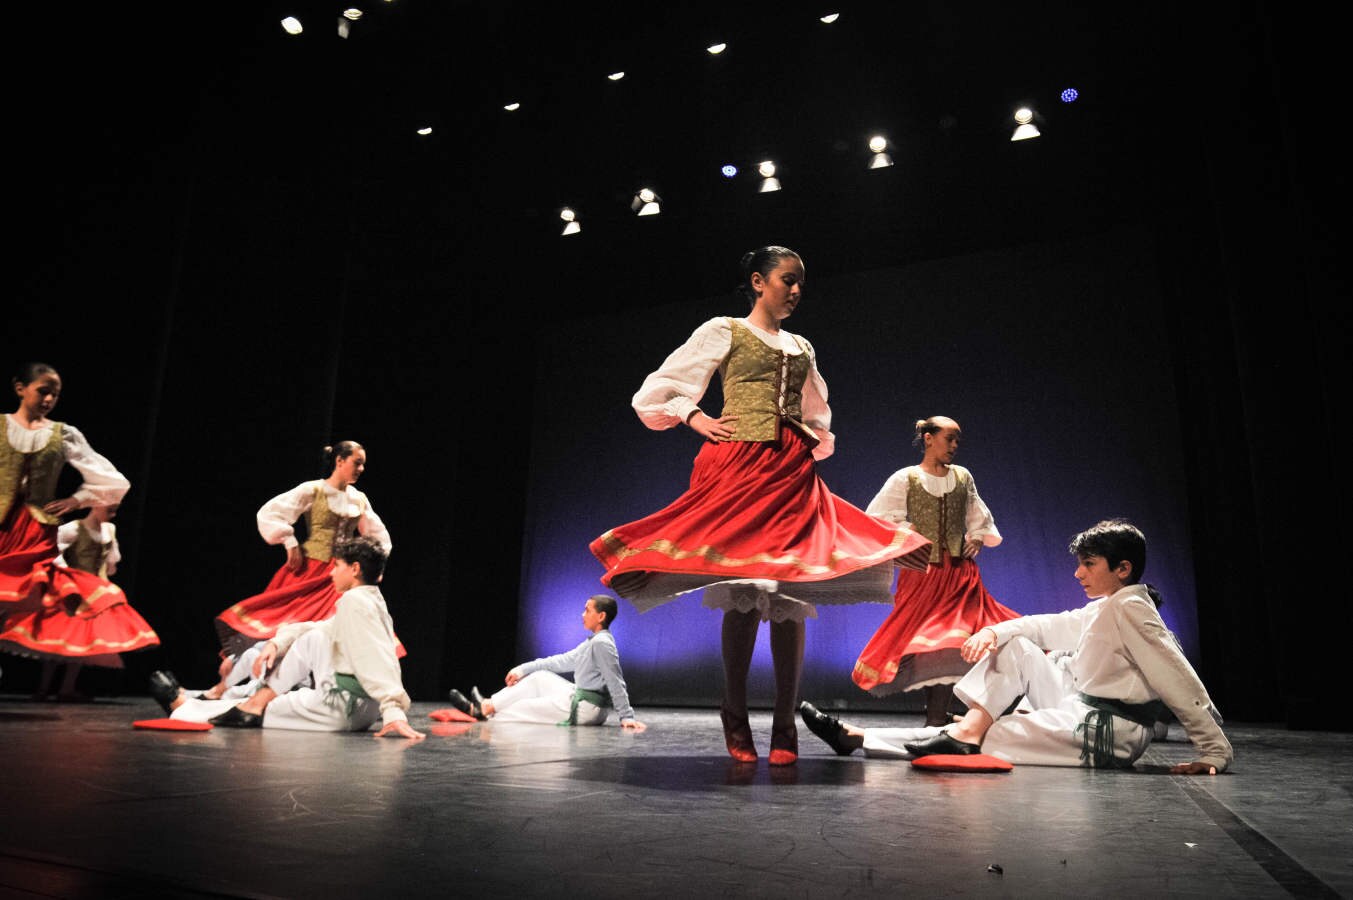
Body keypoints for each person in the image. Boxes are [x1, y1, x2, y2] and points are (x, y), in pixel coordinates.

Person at [590, 246, 931, 766]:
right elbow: (655, 391)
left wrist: (801, 441)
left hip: (789, 473)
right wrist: (691, 414)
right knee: (746, 590)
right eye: (786, 280)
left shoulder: (801, 347)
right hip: (737, 468)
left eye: (800, 283)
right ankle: (735, 712)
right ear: (758, 281)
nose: (795, 291)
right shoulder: (724, 329)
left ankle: (785, 720)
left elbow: (817, 415)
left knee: (790, 590)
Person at [799, 520, 1233, 774]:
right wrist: (992, 633)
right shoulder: (1108, 607)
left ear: (1123, 568)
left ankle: (863, 740)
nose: (1079, 574)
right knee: (1016, 641)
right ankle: (958, 732)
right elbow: (1048, 627)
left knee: (996, 733)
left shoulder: (1134, 609)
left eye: (1089, 565)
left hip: (1109, 732)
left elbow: (1176, 673)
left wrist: (1213, 750)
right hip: (1083, 708)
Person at [159, 536, 422, 739]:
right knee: (314, 638)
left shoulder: (356, 603)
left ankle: (186, 707)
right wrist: (276, 642)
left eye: (337, 566)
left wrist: (393, 712)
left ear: (354, 569)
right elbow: (317, 629)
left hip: (339, 711)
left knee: (262, 707)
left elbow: (377, 659)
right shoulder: (369, 601)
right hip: (359, 710)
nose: (331, 573)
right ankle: (231, 701)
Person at [851, 416, 1019, 726]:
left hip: (960, 574)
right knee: (932, 641)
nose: (954, 446)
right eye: (949, 438)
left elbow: (976, 515)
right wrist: (906, 530)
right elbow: (877, 518)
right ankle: (938, 716)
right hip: (923, 575)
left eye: (957, 440)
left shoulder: (963, 477)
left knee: (953, 640)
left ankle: (940, 716)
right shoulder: (906, 478)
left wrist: (977, 538)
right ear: (929, 439)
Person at [0, 362, 156, 678]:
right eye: (42, 391)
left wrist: (76, 500)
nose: (48, 400)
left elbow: (112, 481)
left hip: (34, 531)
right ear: (20, 388)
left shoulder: (63, 435)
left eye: (54, 395)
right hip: (4, 526)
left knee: (16, 600)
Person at [215, 441, 392, 659]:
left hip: (341, 573)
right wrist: (289, 541)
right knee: (284, 624)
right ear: (339, 461)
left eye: (363, 464)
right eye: (357, 463)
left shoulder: (358, 499)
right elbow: (270, 513)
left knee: (335, 627)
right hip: (309, 568)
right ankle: (247, 675)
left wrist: (373, 564)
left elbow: (378, 536)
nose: (361, 469)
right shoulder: (313, 490)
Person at [447, 595, 646, 731]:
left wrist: (626, 716)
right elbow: (562, 661)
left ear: (601, 616)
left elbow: (615, 680)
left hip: (587, 709)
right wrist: (523, 668)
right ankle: (486, 706)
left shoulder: (602, 644)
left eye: (587, 611)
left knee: (522, 708)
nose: (582, 614)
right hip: (581, 697)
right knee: (539, 678)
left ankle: (481, 711)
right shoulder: (594, 642)